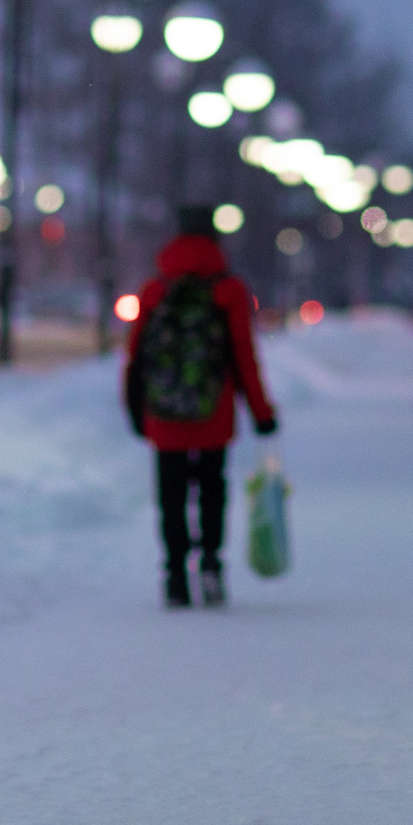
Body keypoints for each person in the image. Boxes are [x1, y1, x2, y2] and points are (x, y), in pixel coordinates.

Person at [123, 204, 279, 608]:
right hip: (214, 412)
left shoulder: (156, 288)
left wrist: (135, 408)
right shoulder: (228, 290)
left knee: (170, 495)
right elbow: (244, 355)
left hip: (164, 414)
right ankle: (210, 566)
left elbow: (137, 354)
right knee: (213, 491)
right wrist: (261, 412)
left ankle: (175, 576)